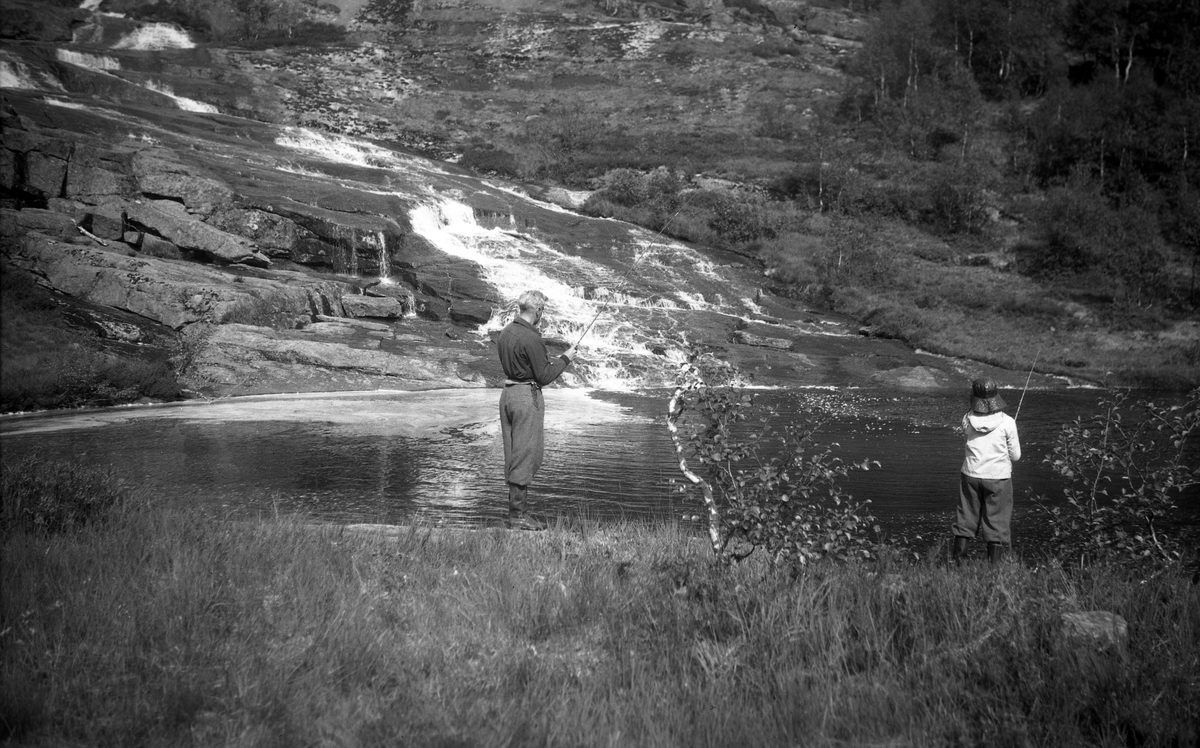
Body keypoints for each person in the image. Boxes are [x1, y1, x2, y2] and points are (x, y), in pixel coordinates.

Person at [497, 290, 577, 530]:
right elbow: (544, 376)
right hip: (525, 398)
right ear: (538, 311)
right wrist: (565, 358)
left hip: (508, 395)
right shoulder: (531, 338)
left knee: (513, 454)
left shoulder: (505, 332)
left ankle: (514, 514)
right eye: (543, 311)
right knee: (525, 454)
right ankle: (518, 517)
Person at [952, 378, 1021, 563]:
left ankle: (957, 562)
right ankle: (994, 566)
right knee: (996, 520)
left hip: (970, 475)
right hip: (999, 478)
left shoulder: (966, 419)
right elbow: (1016, 456)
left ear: (974, 398)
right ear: (995, 397)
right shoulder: (1008, 422)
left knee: (966, 516)